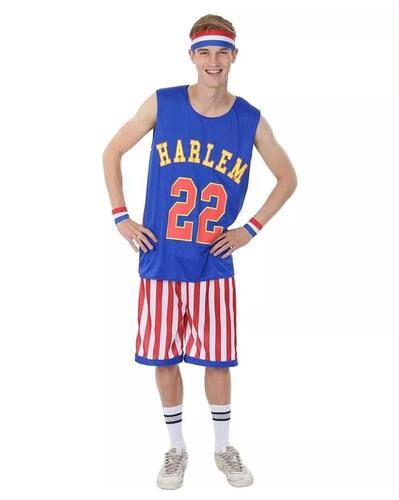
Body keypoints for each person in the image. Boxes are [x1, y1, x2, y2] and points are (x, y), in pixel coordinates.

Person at [103, 14, 297, 490]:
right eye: (205, 52)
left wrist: (250, 228)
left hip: (214, 262)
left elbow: (288, 178)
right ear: (191, 56)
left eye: (222, 52)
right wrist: (121, 216)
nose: (214, 61)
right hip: (161, 258)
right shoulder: (163, 103)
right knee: (163, 358)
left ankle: (222, 447)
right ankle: (176, 449)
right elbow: (112, 151)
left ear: (234, 57)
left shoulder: (249, 118)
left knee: (218, 361)